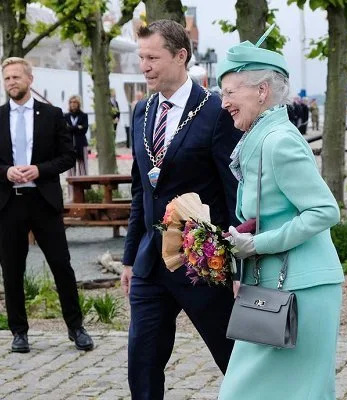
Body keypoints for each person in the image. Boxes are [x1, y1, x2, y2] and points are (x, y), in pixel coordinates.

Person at [216, 27, 345, 400]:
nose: (223, 102)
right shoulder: (259, 139)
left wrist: (256, 244)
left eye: (230, 92)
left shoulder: (279, 141)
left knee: (296, 392)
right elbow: (267, 213)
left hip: (303, 289)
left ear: (262, 91)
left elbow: (324, 211)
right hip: (273, 287)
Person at [120, 20, 241, 399]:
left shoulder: (217, 111)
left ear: (181, 56)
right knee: (142, 364)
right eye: (142, 58)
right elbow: (141, 190)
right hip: (150, 266)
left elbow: (233, 190)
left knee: (233, 359)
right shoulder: (141, 111)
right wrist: (128, 259)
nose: (145, 66)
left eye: (153, 57)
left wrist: (240, 266)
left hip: (202, 262)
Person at [0, 57, 94, 353]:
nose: (11, 82)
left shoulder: (52, 114)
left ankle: (76, 328)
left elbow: (68, 156)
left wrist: (40, 169)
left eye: (16, 77)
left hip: (43, 201)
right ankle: (19, 332)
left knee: (61, 266)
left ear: (30, 79)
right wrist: (5, 172)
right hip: (8, 203)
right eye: (6, 78)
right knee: (12, 270)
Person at [64, 95, 89, 176]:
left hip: (81, 144)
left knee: (83, 167)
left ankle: (85, 187)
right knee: (70, 168)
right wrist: (78, 127)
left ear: (78, 104)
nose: (72, 104)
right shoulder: (66, 116)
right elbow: (65, 130)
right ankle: (72, 188)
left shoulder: (83, 115)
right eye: (71, 102)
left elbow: (84, 129)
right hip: (69, 145)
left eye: (75, 102)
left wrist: (71, 128)